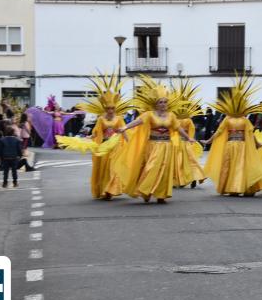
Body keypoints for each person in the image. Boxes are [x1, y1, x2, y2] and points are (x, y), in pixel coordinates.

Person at [114, 76, 196, 204]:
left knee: (164, 170)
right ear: (156, 104)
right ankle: (145, 190)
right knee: (151, 168)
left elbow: (178, 128)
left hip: (167, 146)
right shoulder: (149, 114)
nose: (163, 104)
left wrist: (188, 137)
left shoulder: (171, 116)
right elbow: (138, 121)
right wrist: (124, 127)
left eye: (165, 102)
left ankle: (161, 194)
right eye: (160, 102)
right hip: (152, 145)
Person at [201, 76, 262, 196]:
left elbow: (250, 133)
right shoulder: (227, 119)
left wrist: (257, 144)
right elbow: (219, 132)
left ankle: (245, 187)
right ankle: (232, 187)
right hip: (230, 146)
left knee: (243, 166)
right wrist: (209, 141)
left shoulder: (244, 120)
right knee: (230, 165)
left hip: (243, 146)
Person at [77, 74, 129, 200]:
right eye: (108, 108)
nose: (111, 110)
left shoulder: (119, 119)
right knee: (104, 169)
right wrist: (89, 138)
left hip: (115, 147)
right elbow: (96, 132)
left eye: (112, 108)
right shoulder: (101, 119)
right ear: (105, 109)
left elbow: (124, 131)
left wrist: (128, 142)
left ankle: (111, 189)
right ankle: (106, 190)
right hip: (104, 146)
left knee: (113, 168)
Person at [171, 80, 206, 189]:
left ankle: (179, 179)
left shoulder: (175, 118)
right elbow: (191, 132)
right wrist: (190, 140)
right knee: (190, 161)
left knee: (177, 161)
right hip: (185, 143)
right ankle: (193, 177)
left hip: (177, 143)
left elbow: (172, 130)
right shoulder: (188, 120)